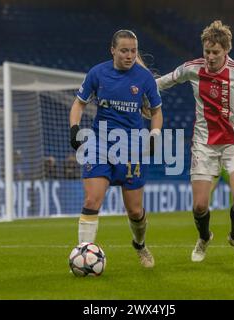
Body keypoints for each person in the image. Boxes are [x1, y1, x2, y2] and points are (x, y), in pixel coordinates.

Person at [156, 20, 234, 262]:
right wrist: (140, 89)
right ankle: (204, 237)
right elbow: (162, 82)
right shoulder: (191, 68)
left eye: (216, 52)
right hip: (204, 144)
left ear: (226, 51)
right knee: (199, 206)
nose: (210, 57)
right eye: (207, 51)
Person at [69, 29, 163, 268]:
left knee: (134, 210)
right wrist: (74, 128)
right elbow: (79, 104)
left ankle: (140, 245)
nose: (129, 55)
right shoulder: (97, 73)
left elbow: (156, 112)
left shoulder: (144, 79)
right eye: (124, 50)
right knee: (92, 200)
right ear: (113, 50)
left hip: (130, 148)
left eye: (133, 51)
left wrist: (154, 134)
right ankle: (83, 256)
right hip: (99, 144)